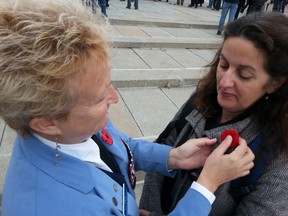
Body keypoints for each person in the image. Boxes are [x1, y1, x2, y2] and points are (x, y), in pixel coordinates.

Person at [0, 0, 255, 215]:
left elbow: (120, 145)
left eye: (110, 84)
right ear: (46, 122)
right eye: (100, 98)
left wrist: (173, 157)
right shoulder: (50, 207)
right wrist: (207, 184)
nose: (114, 98)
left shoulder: (73, 126)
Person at [140, 12, 288, 216]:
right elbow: (165, 145)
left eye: (244, 75)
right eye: (224, 64)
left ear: (275, 82)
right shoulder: (201, 100)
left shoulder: (277, 154)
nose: (224, 82)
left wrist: (209, 182)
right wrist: (149, 208)